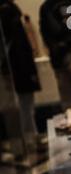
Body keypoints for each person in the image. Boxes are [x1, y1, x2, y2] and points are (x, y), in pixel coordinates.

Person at [0, 0, 41, 147]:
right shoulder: (10, 13)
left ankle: (28, 138)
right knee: (23, 106)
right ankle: (28, 138)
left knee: (25, 105)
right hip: (17, 66)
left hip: (17, 65)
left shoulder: (12, 14)